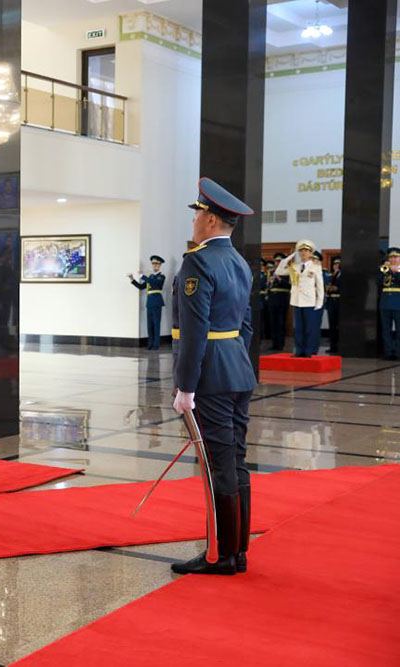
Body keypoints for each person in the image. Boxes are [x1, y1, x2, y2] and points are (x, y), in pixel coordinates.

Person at [171, 177, 256, 576]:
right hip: (238, 369)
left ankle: (221, 555)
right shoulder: (239, 262)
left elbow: (194, 332)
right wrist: (237, 360)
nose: (193, 222)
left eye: (197, 215)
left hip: (211, 378)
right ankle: (238, 551)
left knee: (218, 465)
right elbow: (246, 325)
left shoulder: (199, 262)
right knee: (236, 460)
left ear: (208, 220)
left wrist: (185, 386)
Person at [275, 240, 324, 358]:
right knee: (298, 328)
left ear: (311, 253)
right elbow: (279, 270)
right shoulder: (295, 266)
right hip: (297, 300)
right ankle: (299, 351)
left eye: (306, 251)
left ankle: (308, 351)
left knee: (309, 328)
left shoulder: (316, 266)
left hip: (309, 301)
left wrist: (319, 302)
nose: (303, 253)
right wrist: (291, 255)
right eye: (301, 251)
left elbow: (320, 285)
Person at [129, 255, 166, 350]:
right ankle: (150, 344)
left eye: (156, 263)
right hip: (149, 303)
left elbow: (155, 283)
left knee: (156, 324)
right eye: (153, 263)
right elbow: (141, 287)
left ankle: (156, 344)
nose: (155, 265)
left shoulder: (161, 276)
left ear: (160, 265)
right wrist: (132, 279)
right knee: (149, 325)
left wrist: (142, 276)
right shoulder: (150, 277)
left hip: (157, 302)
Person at [268, 252, 291, 351]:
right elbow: (269, 287)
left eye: (279, 261)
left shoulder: (288, 271)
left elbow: (290, 286)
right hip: (272, 299)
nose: (277, 263)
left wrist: (279, 279)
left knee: (281, 322)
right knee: (273, 322)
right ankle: (274, 344)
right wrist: (269, 282)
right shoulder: (272, 272)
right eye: (276, 261)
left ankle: (281, 344)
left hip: (282, 299)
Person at [381, 247, 400, 360]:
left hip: (398, 303)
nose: (393, 259)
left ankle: (398, 352)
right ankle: (388, 352)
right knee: (386, 330)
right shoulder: (384, 270)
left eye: (395, 257)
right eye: (391, 257)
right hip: (385, 303)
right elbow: (378, 282)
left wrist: (395, 272)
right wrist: (386, 271)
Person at [326, 257, 341, 354]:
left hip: (339, 301)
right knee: (332, 325)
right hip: (331, 301)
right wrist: (329, 288)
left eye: (338, 264)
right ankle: (333, 347)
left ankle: (340, 346)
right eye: (335, 264)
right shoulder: (331, 275)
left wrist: (335, 288)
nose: (336, 266)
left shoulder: (342, 275)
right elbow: (327, 287)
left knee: (339, 325)